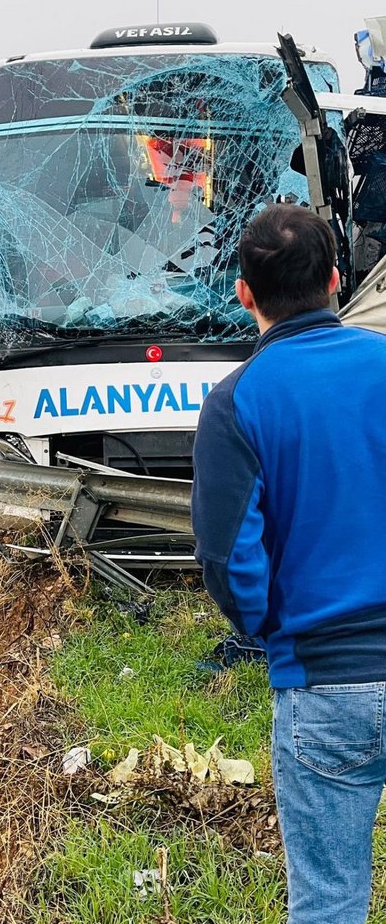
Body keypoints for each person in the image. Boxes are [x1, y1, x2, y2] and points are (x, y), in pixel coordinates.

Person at [191, 203, 386, 924]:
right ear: (337, 278)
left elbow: (225, 557)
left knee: (330, 899)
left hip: (322, 684)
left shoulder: (236, 402)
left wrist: (275, 628)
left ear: (243, 293)